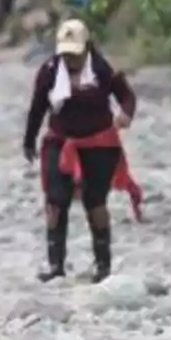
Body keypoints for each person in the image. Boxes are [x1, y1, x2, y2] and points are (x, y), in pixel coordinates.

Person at [24, 19, 140, 284]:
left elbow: (127, 96)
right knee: (55, 200)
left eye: (75, 53)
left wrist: (125, 114)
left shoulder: (101, 70)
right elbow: (37, 107)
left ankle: (103, 265)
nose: (71, 59)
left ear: (86, 47)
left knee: (95, 201)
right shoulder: (50, 71)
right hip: (60, 141)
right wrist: (29, 141)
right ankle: (56, 265)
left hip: (98, 143)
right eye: (65, 53)